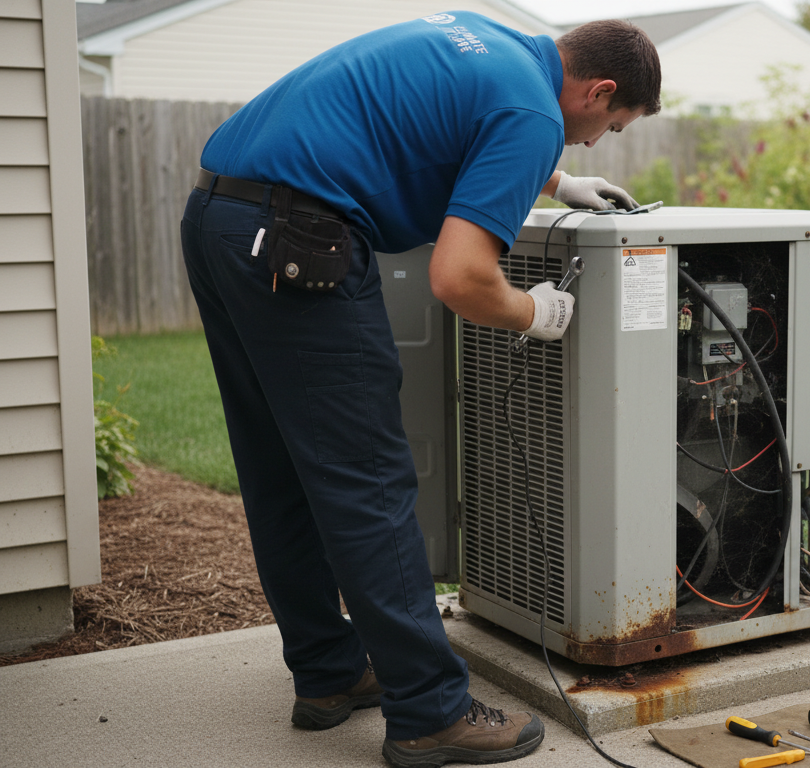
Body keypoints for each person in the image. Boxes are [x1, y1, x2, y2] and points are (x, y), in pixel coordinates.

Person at [179, 12, 660, 767]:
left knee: (282, 469)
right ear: (598, 89)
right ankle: (431, 712)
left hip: (220, 217)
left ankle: (329, 673)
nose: (596, 141)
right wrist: (539, 312)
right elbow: (459, 278)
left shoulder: (484, 36)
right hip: (302, 240)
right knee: (368, 479)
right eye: (612, 125)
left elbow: (442, 125)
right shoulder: (532, 112)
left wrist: (562, 181)